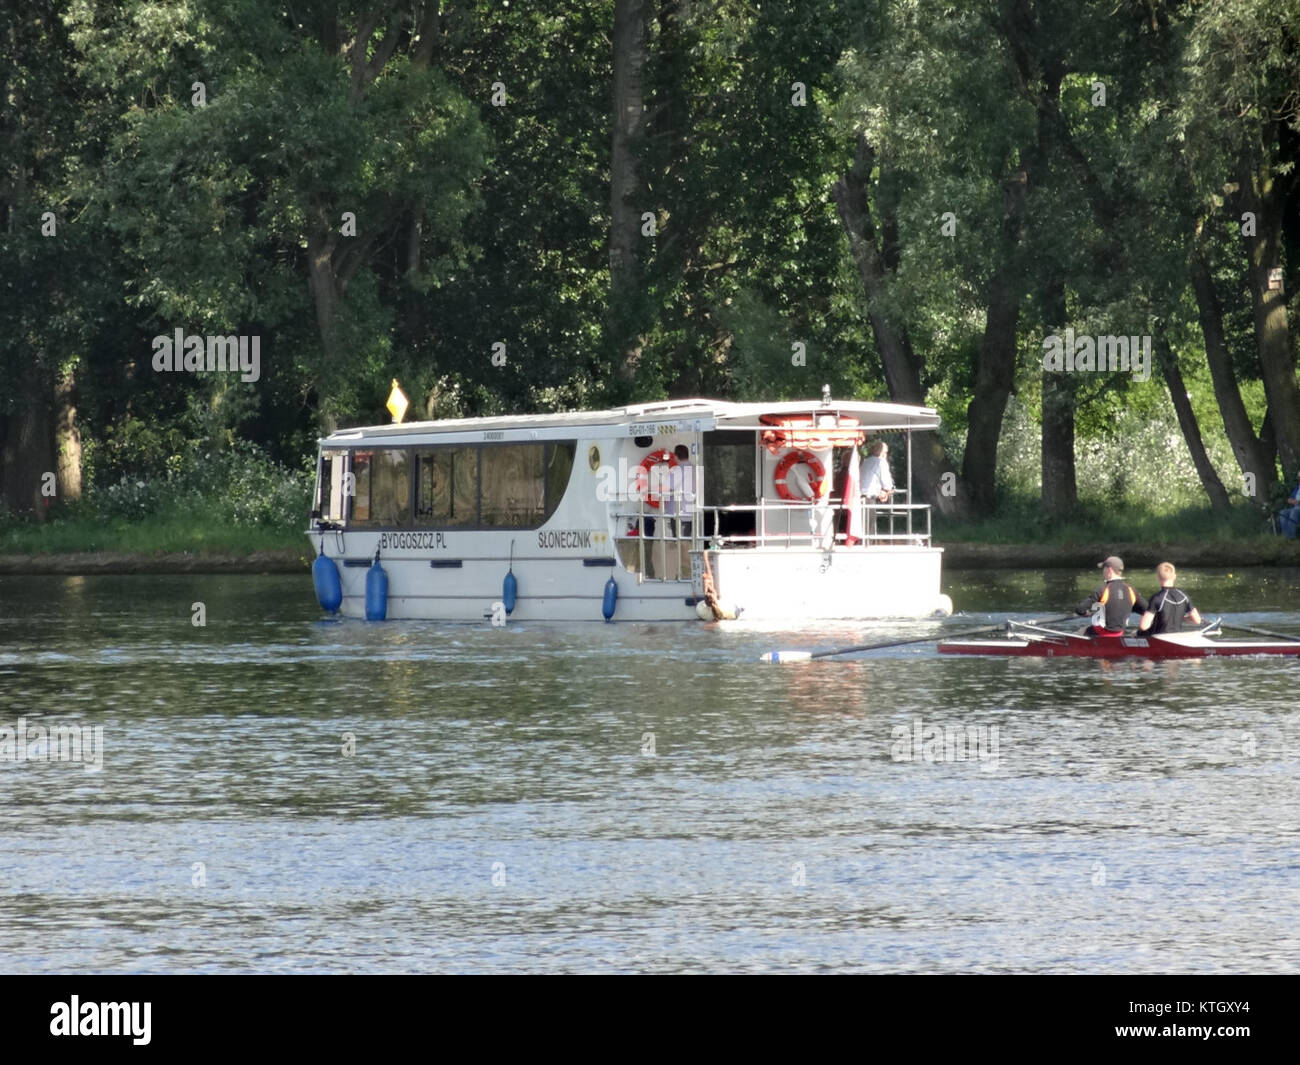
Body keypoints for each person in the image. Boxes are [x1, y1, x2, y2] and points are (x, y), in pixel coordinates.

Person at [1074, 555, 1147, 637]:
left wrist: (1085, 613)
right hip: (1119, 633)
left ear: (1109, 570)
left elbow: (1079, 609)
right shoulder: (1131, 590)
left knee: (1082, 631)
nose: (1103, 571)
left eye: (1104, 568)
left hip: (1101, 632)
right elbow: (1147, 611)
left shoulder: (1102, 589)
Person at [1137, 562, 1202, 635]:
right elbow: (1197, 620)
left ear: (1158, 577)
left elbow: (1144, 626)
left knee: (1138, 632)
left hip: (1158, 638)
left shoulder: (1157, 598)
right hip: (1176, 638)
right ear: (1174, 577)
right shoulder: (1184, 596)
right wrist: (1182, 618)